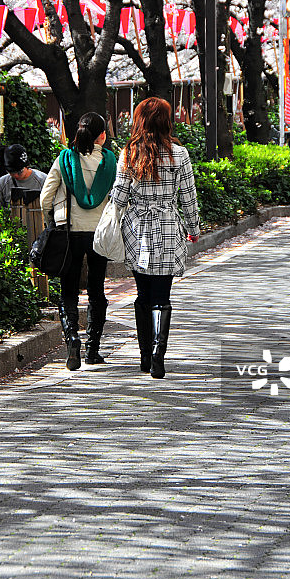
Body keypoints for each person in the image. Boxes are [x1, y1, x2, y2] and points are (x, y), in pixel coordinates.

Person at [110, 97, 200, 379]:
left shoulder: (129, 153)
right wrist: (194, 228)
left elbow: (119, 196)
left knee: (142, 295)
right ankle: (160, 355)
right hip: (169, 228)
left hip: (137, 230)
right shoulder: (179, 154)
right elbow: (189, 196)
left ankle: (145, 356)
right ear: (166, 121)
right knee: (162, 296)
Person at [40, 112, 117, 370]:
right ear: (101, 136)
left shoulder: (64, 159)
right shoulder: (109, 161)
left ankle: (72, 339)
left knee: (69, 290)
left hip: (70, 233)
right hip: (99, 234)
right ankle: (93, 349)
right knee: (97, 291)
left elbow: (45, 198)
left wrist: (52, 220)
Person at [0, 144, 47, 216]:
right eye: (11, 172)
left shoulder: (43, 181)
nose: (15, 175)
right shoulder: (1, 184)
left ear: (26, 166)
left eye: (19, 172)